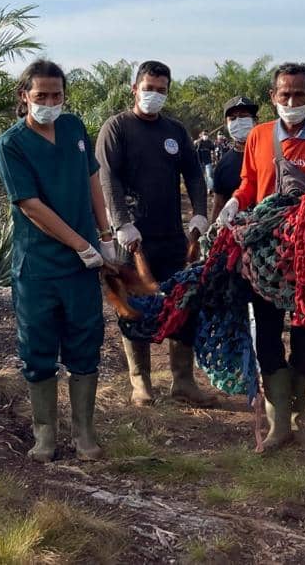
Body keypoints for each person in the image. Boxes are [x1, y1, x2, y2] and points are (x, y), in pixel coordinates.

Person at [217, 62, 305, 450]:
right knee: (269, 328)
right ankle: (278, 423)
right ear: (273, 97)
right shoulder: (259, 137)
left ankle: (297, 417)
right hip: (264, 253)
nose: (291, 102)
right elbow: (249, 184)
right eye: (284, 95)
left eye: (299, 95)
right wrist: (235, 203)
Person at [0, 60, 116, 464]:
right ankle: (45, 433)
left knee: (85, 341)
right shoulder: (11, 145)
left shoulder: (74, 128)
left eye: (56, 95)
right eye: (40, 95)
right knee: (38, 345)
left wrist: (105, 233)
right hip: (39, 267)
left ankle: (84, 431)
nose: (49, 102)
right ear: (23, 95)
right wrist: (81, 244)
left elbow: (92, 180)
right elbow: (30, 206)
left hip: (83, 267)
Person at [96, 60, 215, 407]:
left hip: (173, 236)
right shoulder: (116, 128)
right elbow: (107, 178)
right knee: (133, 308)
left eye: (161, 90)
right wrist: (120, 222)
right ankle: (141, 384)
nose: (154, 95)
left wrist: (199, 214)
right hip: (131, 240)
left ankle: (183, 381)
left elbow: (194, 174)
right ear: (135, 89)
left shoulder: (175, 131)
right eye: (149, 88)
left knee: (183, 304)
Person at [209, 96, 257, 222]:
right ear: (226, 124)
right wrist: (209, 236)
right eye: (233, 118)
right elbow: (219, 204)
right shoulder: (223, 164)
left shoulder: (268, 153)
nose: (238, 121)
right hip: (235, 233)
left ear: (255, 120)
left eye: (243, 116)